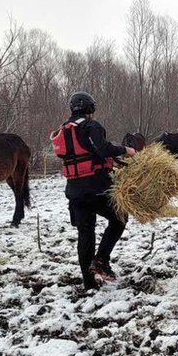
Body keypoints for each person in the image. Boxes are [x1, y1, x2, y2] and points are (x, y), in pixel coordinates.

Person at [51, 91, 136, 290]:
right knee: (120, 217)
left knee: (85, 233)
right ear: (90, 109)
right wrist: (125, 150)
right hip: (97, 188)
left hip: (74, 191)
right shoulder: (91, 126)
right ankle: (101, 260)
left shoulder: (63, 130)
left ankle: (89, 282)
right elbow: (103, 148)